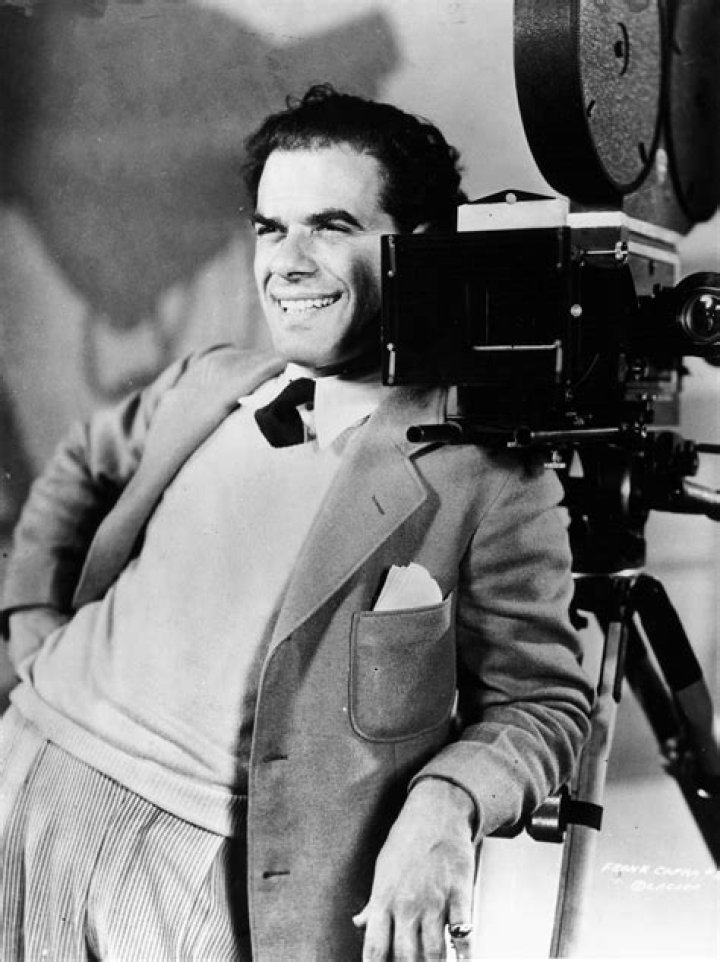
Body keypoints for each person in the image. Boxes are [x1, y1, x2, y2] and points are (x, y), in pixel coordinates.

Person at [0, 84, 593, 961]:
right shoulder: (211, 380)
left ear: (418, 247)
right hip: (28, 768)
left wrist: (448, 802)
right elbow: (82, 465)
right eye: (271, 229)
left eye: (331, 226)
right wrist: (28, 617)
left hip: (206, 868)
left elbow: (544, 703)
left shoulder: (492, 473)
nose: (288, 262)